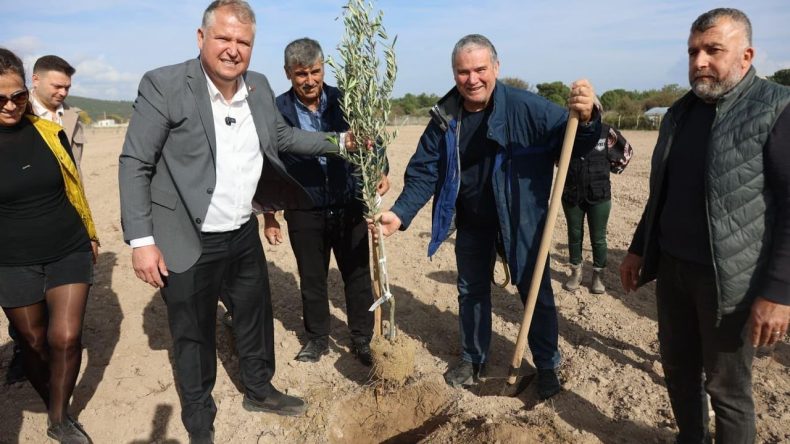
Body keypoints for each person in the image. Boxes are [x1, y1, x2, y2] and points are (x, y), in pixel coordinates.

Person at [118, 2, 350, 442]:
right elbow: (135, 162)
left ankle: (259, 390)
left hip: (242, 231)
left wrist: (341, 141)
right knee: (193, 333)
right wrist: (142, 240)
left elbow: (282, 137)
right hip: (185, 235)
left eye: (243, 41)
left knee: (254, 316)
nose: (233, 49)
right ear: (201, 37)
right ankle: (199, 418)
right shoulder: (165, 84)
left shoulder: (258, 87)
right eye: (223, 38)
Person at [375, 34, 600, 399]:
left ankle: (547, 364)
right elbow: (424, 171)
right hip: (473, 220)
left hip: (521, 218)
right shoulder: (445, 117)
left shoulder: (527, 107)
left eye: (480, 69)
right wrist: (400, 214)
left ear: (496, 67)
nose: (472, 79)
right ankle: (473, 359)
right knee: (471, 291)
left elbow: (575, 140)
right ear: (454, 73)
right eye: (463, 72)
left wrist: (587, 118)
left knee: (534, 290)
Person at [619, 8, 790, 443]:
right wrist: (638, 248)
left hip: (731, 282)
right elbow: (662, 192)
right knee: (678, 372)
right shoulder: (679, 113)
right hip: (674, 271)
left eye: (713, 50)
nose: (699, 62)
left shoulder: (776, 109)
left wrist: (778, 292)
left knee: (727, 391)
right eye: (693, 51)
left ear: (746, 55)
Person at [261, 38, 388, 365]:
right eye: (301, 74)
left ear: (323, 69)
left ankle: (361, 339)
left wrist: (380, 169)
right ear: (287, 73)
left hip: (348, 205)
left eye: (315, 72)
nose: (309, 80)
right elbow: (269, 162)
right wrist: (270, 215)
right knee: (312, 279)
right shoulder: (276, 109)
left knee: (357, 276)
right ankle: (317, 338)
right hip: (304, 208)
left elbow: (374, 139)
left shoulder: (347, 100)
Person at [0, 47, 98, 443]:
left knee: (67, 338)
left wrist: (90, 233)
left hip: (67, 246)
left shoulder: (49, 131)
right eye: (0, 99)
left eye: (17, 96)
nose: (10, 105)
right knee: (33, 342)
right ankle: (50, 398)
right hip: (11, 259)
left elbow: (74, 188)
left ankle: (59, 418)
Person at [561, 123, 632, 294]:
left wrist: (609, 167)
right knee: (574, 235)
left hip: (599, 194)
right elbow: (555, 155)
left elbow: (626, 152)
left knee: (598, 238)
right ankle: (576, 273)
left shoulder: (606, 132)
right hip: (572, 194)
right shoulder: (565, 129)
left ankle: (598, 276)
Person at [31, 55, 86, 172]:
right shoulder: (17, 114)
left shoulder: (74, 116)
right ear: (36, 80)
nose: (63, 93)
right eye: (57, 86)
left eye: (67, 88)